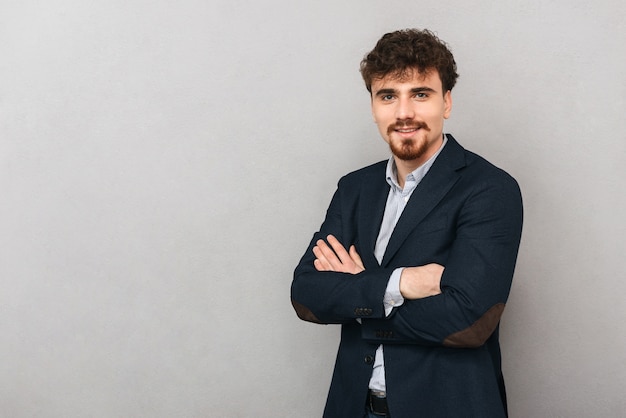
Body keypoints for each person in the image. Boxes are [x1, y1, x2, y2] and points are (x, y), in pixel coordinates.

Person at [290, 28, 523, 418]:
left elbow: (468, 322)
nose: (403, 113)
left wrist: (359, 294)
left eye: (420, 93)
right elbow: (306, 295)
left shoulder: (489, 189)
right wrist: (402, 283)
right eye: (388, 96)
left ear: (446, 102)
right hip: (353, 408)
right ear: (373, 106)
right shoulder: (354, 189)